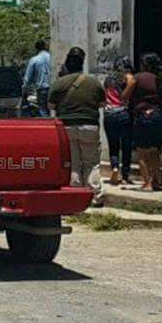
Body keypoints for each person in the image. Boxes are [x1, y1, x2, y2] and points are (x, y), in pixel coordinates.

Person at [48, 47, 105, 205]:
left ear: (67, 64)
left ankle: (75, 195)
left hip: (66, 128)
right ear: (82, 63)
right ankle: (95, 196)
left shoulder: (58, 84)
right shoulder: (94, 83)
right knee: (91, 163)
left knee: (73, 162)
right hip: (90, 126)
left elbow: (51, 106)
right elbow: (102, 103)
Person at [122, 53, 162, 192]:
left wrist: (128, 81)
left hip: (143, 116)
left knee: (142, 151)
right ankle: (156, 182)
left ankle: (147, 183)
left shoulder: (138, 78)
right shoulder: (161, 79)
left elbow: (125, 96)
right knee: (155, 151)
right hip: (159, 116)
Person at [103, 56, 135, 185]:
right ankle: (125, 174)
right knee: (126, 145)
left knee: (113, 145)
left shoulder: (108, 79)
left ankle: (115, 167)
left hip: (109, 114)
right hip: (123, 113)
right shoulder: (127, 79)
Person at [23, 40, 51, 116]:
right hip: (53, 88)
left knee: (43, 110)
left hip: (41, 89)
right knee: (52, 111)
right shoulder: (52, 57)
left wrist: (25, 88)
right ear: (45, 47)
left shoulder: (34, 60)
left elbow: (28, 78)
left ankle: (47, 126)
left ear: (36, 48)